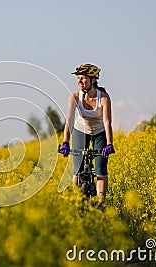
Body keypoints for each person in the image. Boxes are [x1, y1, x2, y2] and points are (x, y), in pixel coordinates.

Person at [59, 63, 115, 212]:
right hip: (80, 130)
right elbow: (69, 122)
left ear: (93, 80)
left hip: (99, 133)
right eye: (78, 78)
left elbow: (107, 122)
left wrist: (109, 144)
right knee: (77, 170)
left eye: (83, 78)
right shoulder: (75, 97)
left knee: (100, 168)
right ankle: (76, 200)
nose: (80, 81)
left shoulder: (103, 97)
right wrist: (65, 142)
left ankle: (101, 204)